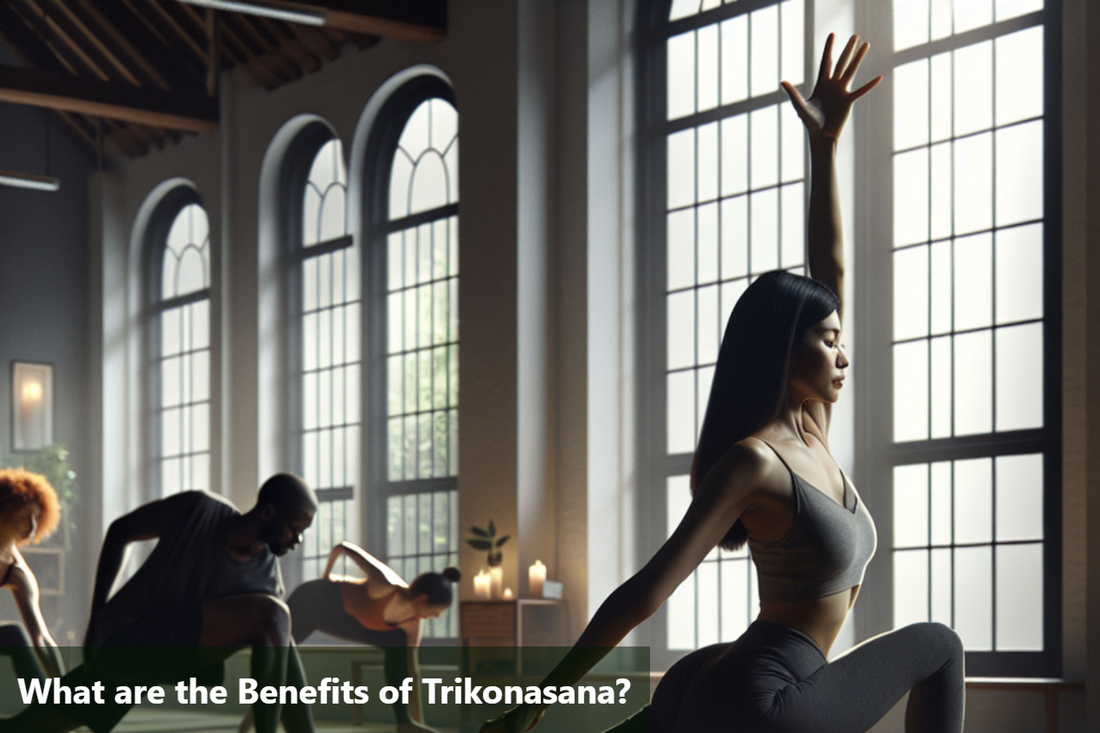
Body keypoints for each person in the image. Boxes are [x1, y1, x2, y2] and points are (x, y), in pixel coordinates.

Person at [481, 34, 965, 733]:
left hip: (736, 674)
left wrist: (824, 151)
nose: (843, 353)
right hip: (763, 695)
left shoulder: (812, 430)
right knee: (940, 644)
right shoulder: (756, 459)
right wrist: (532, 704)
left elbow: (829, 270)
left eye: (841, 338)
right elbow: (645, 589)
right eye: (827, 340)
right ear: (780, 350)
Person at [0, 473, 319, 733]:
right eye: (295, 529)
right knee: (25, 729)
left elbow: (278, 654)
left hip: (173, 658)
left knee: (279, 622)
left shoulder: (265, 575)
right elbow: (120, 531)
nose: (298, 541)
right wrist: (96, 620)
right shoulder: (198, 510)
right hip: (126, 642)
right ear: (268, 512)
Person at [240, 540, 460, 733]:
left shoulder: (412, 624)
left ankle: (405, 723)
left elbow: (411, 671)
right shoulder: (385, 584)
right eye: (437, 610)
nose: (437, 616)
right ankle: (256, 711)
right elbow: (343, 547)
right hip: (316, 601)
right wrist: (326, 575)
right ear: (423, 599)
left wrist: (416, 721)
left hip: (348, 621)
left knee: (398, 647)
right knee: (277, 655)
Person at [0, 469, 65, 682]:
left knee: (15, 635)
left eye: (36, 518)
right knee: (13, 635)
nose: (32, 528)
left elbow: (41, 638)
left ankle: (56, 704)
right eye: (26, 517)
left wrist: (63, 684)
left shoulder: (16, 571)